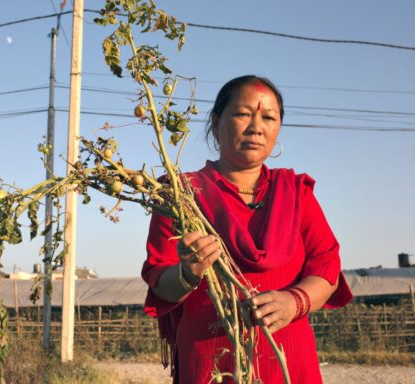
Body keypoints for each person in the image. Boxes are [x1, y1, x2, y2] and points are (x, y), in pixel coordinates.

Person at [141, 75, 353, 384]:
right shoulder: (181, 193)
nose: (256, 127)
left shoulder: (296, 192)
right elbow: (160, 278)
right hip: (211, 364)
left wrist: (294, 301)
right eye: (243, 114)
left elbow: (327, 266)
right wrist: (188, 272)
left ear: (278, 129)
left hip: (289, 363)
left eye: (268, 117)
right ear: (216, 123)